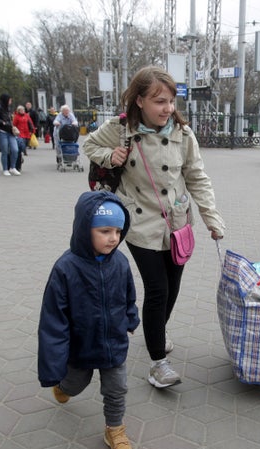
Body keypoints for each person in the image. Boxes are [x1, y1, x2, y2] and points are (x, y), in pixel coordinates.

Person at [83, 66, 226, 389]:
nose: (167, 108)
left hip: (176, 221)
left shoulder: (183, 134)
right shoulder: (120, 129)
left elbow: (197, 177)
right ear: (139, 102)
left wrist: (211, 217)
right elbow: (90, 146)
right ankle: (157, 362)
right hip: (139, 221)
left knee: (173, 287)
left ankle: (155, 333)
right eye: (159, 101)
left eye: (171, 101)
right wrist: (110, 156)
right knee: (157, 288)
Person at [38, 191, 140, 449]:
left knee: (117, 388)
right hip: (81, 347)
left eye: (118, 231)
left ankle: (115, 429)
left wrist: (130, 317)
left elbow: (128, 295)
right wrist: (52, 365)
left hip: (114, 343)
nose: (114, 238)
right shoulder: (65, 268)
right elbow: (53, 319)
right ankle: (63, 388)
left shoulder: (120, 262)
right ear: (85, 229)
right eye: (105, 231)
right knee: (75, 384)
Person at [0, 93, 21, 177]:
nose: (11, 101)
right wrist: (1, 122)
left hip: (10, 131)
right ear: (6, 100)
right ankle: (5, 169)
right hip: (1, 132)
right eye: (10, 99)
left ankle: (13, 167)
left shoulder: (7, 108)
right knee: (5, 151)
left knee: (15, 150)